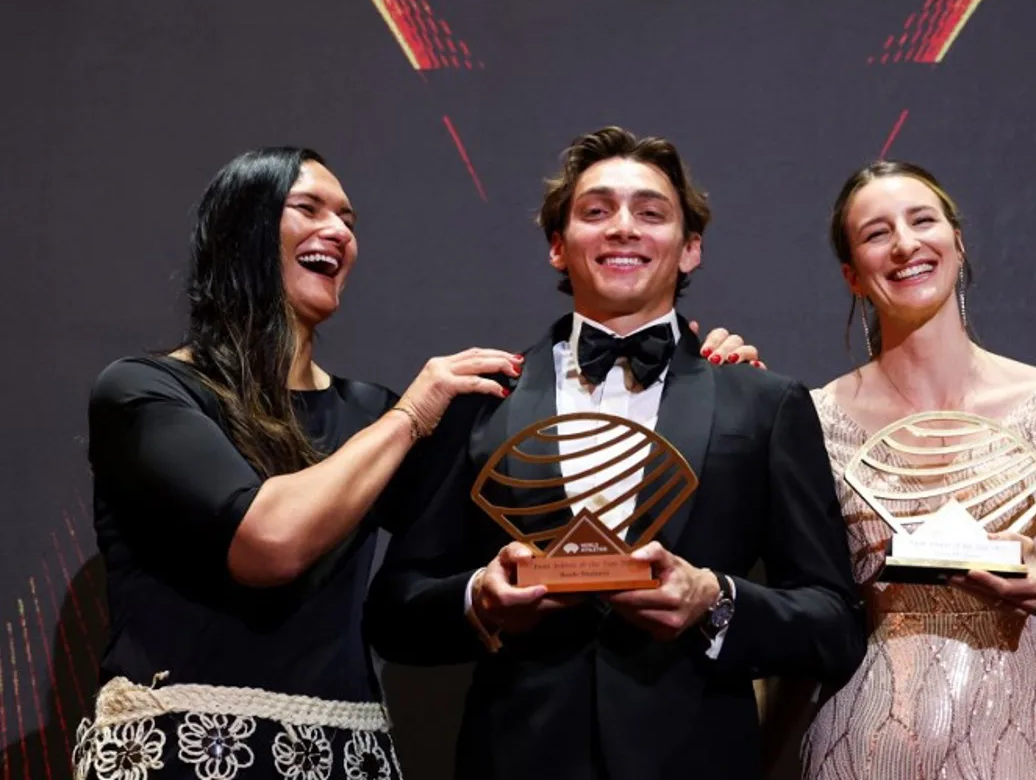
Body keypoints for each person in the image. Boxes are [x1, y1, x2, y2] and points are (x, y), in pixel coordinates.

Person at [73, 146, 762, 780]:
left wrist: (694, 384)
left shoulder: (371, 414)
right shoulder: (146, 389)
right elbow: (268, 542)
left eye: (347, 217)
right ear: (240, 230)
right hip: (181, 751)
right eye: (308, 209)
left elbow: (448, 562)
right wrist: (414, 413)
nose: (339, 231)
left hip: (345, 754)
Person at [364, 126, 868, 780]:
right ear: (556, 246)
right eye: (596, 211)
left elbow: (833, 623)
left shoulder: (763, 405)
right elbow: (395, 611)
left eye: (651, 213)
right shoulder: (482, 399)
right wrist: (479, 599)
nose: (623, 227)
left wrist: (713, 597)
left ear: (690, 250)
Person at [763, 160, 1036, 779]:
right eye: (876, 233)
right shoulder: (809, 424)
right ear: (852, 275)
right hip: (854, 755)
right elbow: (797, 636)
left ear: (958, 241)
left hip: (1013, 758)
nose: (904, 243)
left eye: (922, 220)